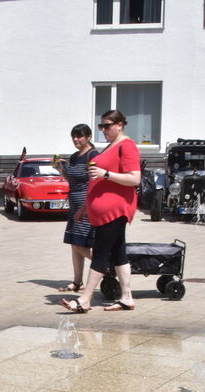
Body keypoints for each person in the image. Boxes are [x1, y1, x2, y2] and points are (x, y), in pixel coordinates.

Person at [59, 109, 141, 313]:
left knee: (100, 254)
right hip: (103, 210)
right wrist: (86, 207)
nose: (103, 130)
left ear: (120, 125)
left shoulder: (127, 146)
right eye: (101, 126)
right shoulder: (111, 146)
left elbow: (134, 178)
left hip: (115, 210)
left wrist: (105, 173)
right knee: (119, 253)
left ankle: (85, 300)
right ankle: (127, 297)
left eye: (107, 125)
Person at [58, 123, 98, 293]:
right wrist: (61, 169)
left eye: (80, 136)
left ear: (88, 136)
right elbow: (72, 179)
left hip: (86, 204)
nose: (76, 139)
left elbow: (94, 181)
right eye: (74, 136)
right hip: (74, 204)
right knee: (75, 242)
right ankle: (77, 282)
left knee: (81, 244)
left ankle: (107, 266)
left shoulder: (93, 154)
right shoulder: (74, 157)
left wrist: (88, 205)